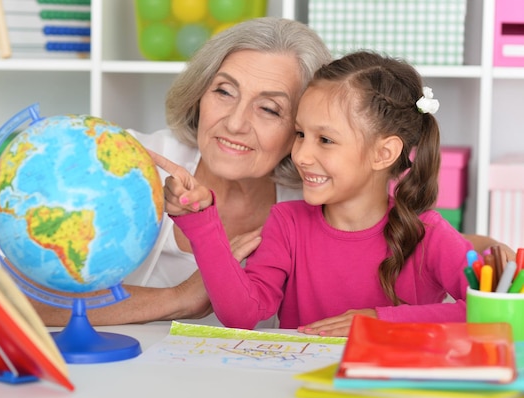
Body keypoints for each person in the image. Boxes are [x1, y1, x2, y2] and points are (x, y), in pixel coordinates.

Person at [34, 18, 513, 328]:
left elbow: (488, 304)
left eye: (269, 109)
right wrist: (193, 260)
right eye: (224, 91)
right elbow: (244, 312)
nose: (237, 122)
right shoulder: (135, 168)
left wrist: (466, 251)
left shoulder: (310, 199)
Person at [151, 51, 478, 336]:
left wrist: (379, 321)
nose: (301, 155)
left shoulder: (429, 233)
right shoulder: (287, 221)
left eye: (325, 140)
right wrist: (202, 226)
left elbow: (501, 313)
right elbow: (242, 316)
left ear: (383, 153)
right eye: (300, 134)